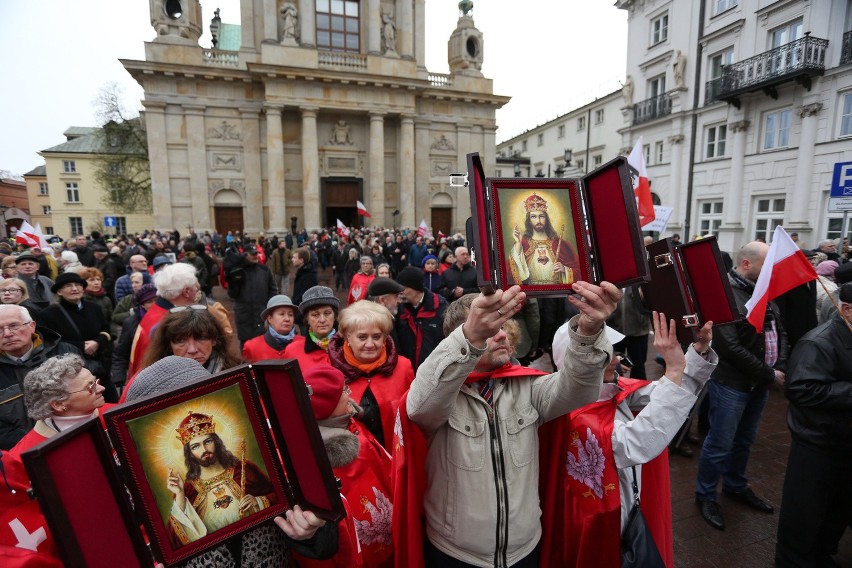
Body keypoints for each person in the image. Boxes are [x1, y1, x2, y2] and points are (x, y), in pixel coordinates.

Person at [402, 280, 620, 567]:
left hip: (525, 549)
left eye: (503, 326)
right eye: (491, 329)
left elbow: (580, 387)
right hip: (455, 553)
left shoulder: (528, 386)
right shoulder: (441, 391)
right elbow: (418, 407)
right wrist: (469, 337)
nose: (502, 334)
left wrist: (590, 331)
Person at [122, 355, 337, 566]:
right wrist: (179, 500)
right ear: (187, 451)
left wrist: (308, 531)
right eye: (195, 446)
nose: (204, 450)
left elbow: (312, 533)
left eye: (207, 442)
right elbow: (168, 544)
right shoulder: (170, 493)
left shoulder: (247, 469)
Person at [543, 315, 716, 566]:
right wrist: (676, 368)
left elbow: (665, 391)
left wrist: (697, 352)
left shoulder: (610, 388)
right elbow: (638, 441)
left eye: (614, 352)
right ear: (579, 364)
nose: (617, 360)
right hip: (600, 525)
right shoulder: (576, 415)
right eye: (607, 355)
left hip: (623, 513)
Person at [695, 241, 788, 530]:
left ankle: (735, 485)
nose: (770, 273)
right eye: (765, 265)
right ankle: (705, 495)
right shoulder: (725, 295)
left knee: (744, 440)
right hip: (733, 384)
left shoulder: (762, 293)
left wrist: (780, 365)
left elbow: (779, 332)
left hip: (758, 384)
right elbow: (729, 347)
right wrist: (768, 374)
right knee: (720, 442)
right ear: (746, 264)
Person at [0, 354, 109, 564]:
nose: (101, 388)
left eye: (96, 381)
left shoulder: (115, 416)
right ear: (59, 405)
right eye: (90, 387)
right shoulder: (24, 458)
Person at [775, 283, 852, 567]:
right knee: (805, 516)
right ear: (846, 309)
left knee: (836, 512)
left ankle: (822, 555)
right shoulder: (817, 342)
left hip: (844, 442)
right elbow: (802, 389)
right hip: (818, 445)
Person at [299, 364, 394, 568]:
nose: (350, 393)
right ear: (327, 405)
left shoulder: (349, 424)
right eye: (344, 390)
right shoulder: (324, 461)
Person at [328, 300, 414, 451]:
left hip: (396, 458)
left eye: (376, 337)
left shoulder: (403, 367)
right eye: (362, 337)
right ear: (348, 337)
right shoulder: (330, 373)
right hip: (356, 464)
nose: (370, 344)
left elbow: (413, 419)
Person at [0, 305, 81, 449]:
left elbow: (90, 395)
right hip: (19, 453)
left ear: (32, 326)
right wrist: (31, 444)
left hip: (74, 440)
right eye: (0, 329)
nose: (7, 333)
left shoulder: (65, 353)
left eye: (14, 326)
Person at [37, 272, 115, 402]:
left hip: (100, 366)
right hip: (72, 372)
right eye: (68, 285)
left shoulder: (94, 308)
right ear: (59, 292)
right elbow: (50, 341)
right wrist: (81, 346)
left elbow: (106, 329)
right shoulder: (48, 314)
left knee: (109, 403)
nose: (74, 288)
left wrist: (97, 342)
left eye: (78, 285)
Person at [128, 263, 201, 379]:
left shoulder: (156, 313)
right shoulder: (165, 322)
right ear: (186, 291)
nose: (197, 288)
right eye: (195, 286)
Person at [136, 306, 243, 377]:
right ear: (169, 345)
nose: (192, 350)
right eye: (181, 341)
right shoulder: (149, 383)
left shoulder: (240, 375)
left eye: (201, 338)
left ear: (214, 340)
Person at [509, 193, 580, 286]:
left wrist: (564, 269)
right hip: (531, 293)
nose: (538, 221)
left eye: (541, 216)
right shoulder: (523, 243)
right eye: (533, 216)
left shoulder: (559, 243)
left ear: (546, 219)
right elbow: (513, 271)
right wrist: (518, 243)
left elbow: (578, 270)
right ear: (529, 220)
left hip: (557, 294)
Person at [394, 266, 447, 370]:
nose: (400, 292)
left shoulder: (440, 307)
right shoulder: (397, 309)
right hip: (406, 372)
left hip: (433, 372)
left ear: (416, 288)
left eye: (403, 288)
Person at [229, 245, 277, 345]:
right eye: (253, 254)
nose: (256, 255)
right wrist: (235, 281)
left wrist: (269, 308)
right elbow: (232, 294)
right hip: (244, 316)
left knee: (263, 345)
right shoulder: (238, 271)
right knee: (246, 347)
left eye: (256, 253)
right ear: (245, 255)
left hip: (261, 315)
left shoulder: (264, 270)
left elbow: (273, 290)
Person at [242, 295, 303, 363]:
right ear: (270, 319)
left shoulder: (303, 344)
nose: (287, 319)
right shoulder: (252, 347)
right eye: (282, 314)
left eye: (290, 315)